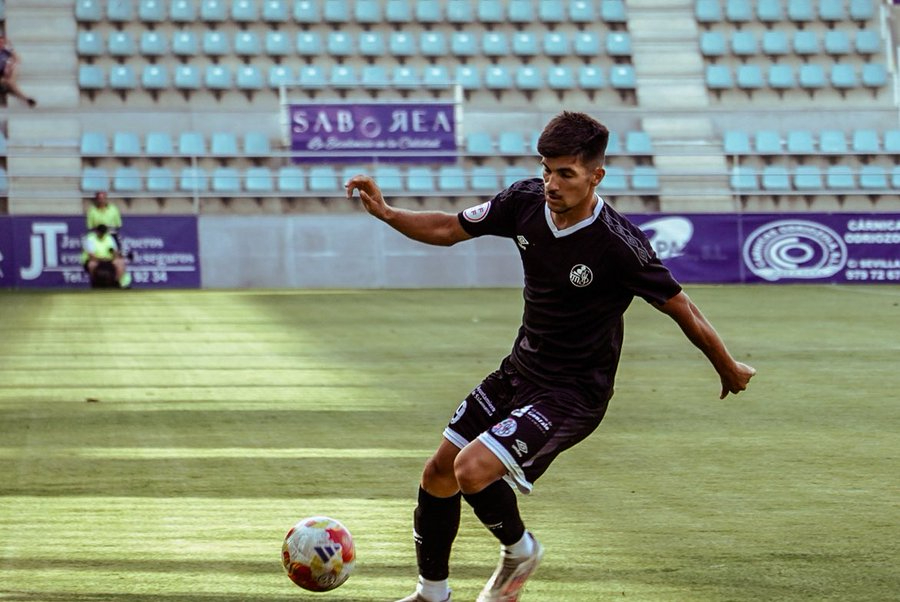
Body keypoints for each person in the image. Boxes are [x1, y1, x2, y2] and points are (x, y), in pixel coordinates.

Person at [345, 111, 756, 602]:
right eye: (546, 169)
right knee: (438, 472)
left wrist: (727, 367)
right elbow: (449, 228)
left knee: (472, 470)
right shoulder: (522, 201)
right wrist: (390, 213)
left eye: (565, 173)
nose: (551, 183)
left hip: (573, 394)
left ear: (595, 176)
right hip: (519, 371)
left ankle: (520, 550)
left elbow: (682, 307)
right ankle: (432, 592)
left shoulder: (619, 244)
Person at [81, 224, 131, 288]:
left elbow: (114, 251)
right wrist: (101, 259)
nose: (102, 234)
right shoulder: (90, 238)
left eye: (103, 232)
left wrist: (116, 256)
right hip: (96, 259)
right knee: (92, 264)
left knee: (120, 263)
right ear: (97, 231)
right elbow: (91, 255)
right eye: (100, 232)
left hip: (108, 259)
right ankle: (95, 283)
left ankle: (115, 283)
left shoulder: (108, 237)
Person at [0, 36, 37, 108]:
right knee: (10, 85)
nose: (0, 44)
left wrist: (9, 65)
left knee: (10, 83)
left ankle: (26, 99)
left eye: (2, 43)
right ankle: (26, 99)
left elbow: (18, 59)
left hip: (6, 76)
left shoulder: (6, 52)